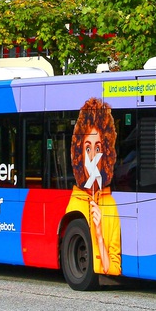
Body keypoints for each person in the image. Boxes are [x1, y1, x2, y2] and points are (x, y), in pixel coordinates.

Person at [65, 97, 122, 275]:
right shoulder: (71, 204)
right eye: (88, 148)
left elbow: (114, 269)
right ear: (80, 153)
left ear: (106, 154)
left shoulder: (111, 206)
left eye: (98, 149)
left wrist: (98, 234)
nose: (92, 157)